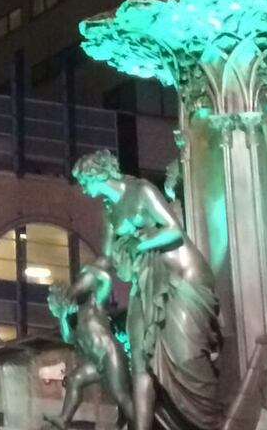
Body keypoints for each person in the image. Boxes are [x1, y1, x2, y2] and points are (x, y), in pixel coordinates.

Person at [73, 149, 223, 430]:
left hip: (181, 279)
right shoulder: (109, 211)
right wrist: (83, 282)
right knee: (139, 359)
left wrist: (139, 243)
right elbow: (105, 259)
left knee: (185, 356)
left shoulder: (141, 191)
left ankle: (211, 421)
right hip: (146, 283)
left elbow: (174, 230)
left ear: (98, 174)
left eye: (84, 180)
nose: (83, 188)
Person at [46, 258, 133, 429]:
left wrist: (92, 269)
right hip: (96, 362)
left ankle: (144, 425)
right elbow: (68, 338)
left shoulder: (95, 301)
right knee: (74, 380)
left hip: (109, 354)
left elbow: (106, 279)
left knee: (121, 396)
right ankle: (64, 418)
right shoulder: (76, 315)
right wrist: (63, 316)